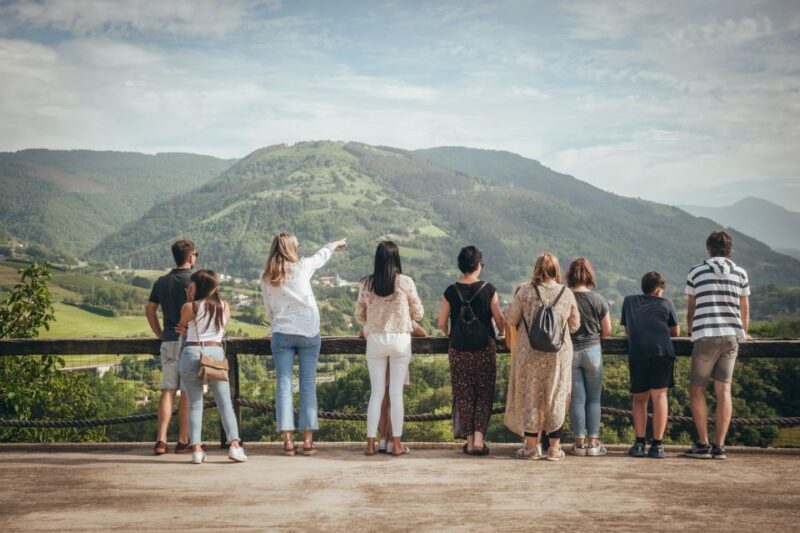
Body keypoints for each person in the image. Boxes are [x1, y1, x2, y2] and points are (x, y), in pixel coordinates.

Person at [260, 233, 347, 456]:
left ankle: (288, 442)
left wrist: (276, 326)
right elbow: (321, 256)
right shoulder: (302, 267)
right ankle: (308, 441)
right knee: (308, 385)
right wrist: (335, 242)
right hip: (308, 332)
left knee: (283, 385)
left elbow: (269, 310)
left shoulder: (266, 277)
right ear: (293, 248)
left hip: (281, 334)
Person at [503, 252, 580, 461]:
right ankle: (554, 449)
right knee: (555, 394)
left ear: (536, 268)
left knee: (531, 395)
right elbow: (574, 325)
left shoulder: (525, 291)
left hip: (529, 352)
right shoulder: (566, 293)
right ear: (556, 271)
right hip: (558, 353)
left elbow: (511, 317)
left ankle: (530, 448)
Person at [684, 231, 750, 460]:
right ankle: (720, 446)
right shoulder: (741, 273)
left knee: (697, 390)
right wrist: (745, 333)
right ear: (729, 250)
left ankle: (703, 444)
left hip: (705, 335)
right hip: (732, 336)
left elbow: (691, 308)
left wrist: (690, 330)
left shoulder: (696, 271)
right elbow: (745, 308)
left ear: (709, 249)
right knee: (724, 390)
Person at [356, 241, 424, 456]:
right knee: (396, 394)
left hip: (375, 340)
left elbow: (359, 315)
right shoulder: (405, 282)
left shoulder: (367, 284)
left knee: (376, 393)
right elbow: (419, 312)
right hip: (400, 340)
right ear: (396, 258)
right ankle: (396, 444)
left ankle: (370, 444)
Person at [438, 246, 505, 456]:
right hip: (484, 347)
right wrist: (501, 332)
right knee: (484, 393)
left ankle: (468, 441)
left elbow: (441, 323)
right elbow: (500, 321)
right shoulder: (489, 289)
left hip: (458, 349)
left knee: (464, 393)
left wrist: (451, 332)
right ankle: (479, 439)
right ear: (478, 266)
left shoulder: (451, 290)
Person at [177, 269, 247, 464]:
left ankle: (197, 450)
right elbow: (221, 329)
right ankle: (234, 445)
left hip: (192, 352)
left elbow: (183, 329)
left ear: (197, 287)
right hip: (215, 353)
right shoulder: (224, 306)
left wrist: (186, 325)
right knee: (225, 403)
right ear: (214, 287)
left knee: (195, 404)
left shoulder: (189, 307)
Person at [621, 271, 680, 459]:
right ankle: (658, 445)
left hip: (638, 352)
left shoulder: (629, 302)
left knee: (639, 398)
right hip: (663, 352)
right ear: (657, 290)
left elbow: (628, 329)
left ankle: (639, 443)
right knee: (660, 396)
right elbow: (676, 332)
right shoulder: (666, 303)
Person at [145, 239, 196, 455]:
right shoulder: (196, 281)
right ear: (191, 256)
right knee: (186, 393)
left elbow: (150, 309)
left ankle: (161, 440)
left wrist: (159, 333)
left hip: (168, 341)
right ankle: (183, 440)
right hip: (189, 341)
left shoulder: (161, 281)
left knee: (167, 391)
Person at [567, 257, 612, 457]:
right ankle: (593, 443)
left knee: (577, 399)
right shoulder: (598, 299)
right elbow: (607, 330)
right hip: (593, 350)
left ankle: (578, 443)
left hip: (571, 352)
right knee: (594, 399)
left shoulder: (566, 297)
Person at [373, 322, 427, 454]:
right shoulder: (401, 315)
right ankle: (392, 441)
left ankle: (382, 440)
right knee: (394, 401)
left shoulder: (377, 313)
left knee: (383, 403)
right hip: (397, 357)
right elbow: (422, 332)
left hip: (379, 356)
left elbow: (363, 332)